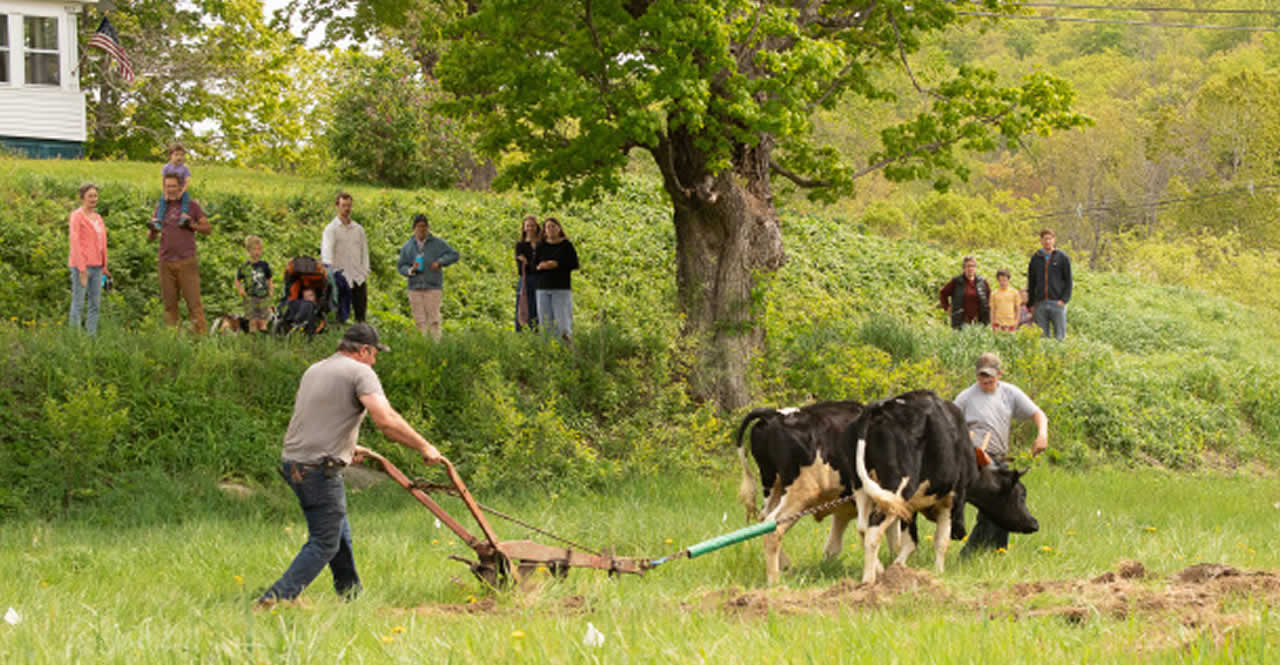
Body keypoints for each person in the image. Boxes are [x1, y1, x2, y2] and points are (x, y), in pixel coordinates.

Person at [257, 323, 445, 609]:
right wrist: (424, 446)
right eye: (375, 354)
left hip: (294, 462)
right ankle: (276, 599)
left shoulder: (316, 369)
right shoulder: (361, 372)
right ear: (364, 350)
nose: (375, 360)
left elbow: (316, 417)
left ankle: (351, 597)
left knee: (337, 533)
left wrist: (346, 447)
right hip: (319, 468)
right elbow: (386, 420)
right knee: (325, 541)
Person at [955, 352, 1048, 556]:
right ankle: (970, 554)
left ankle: (998, 551)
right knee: (991, 510)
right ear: (976, 375)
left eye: (990, 376)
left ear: (1000, 374)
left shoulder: (1010, 393)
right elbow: (949, 426)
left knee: (1008, 504)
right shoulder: (965, 397)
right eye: (981, 376)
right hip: (976, 461)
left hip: (999, 460)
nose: (986, 380)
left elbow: (1038, 414)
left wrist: (1042, 434)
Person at [148, 173, 212, 334]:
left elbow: (207, 229)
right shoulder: (161, 207)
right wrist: (152, 231)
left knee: (194, 304)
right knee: (170, 305)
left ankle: (200, 340)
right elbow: (151, 238)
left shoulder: (191, 206)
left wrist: (191, 225)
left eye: (173, 186)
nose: (170, 189)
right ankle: (173, 340)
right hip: (165, 261)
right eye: (167, 186)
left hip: (186, 261)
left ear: (180, 187)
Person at [396, 214, 460, 340]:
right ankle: (423, 347)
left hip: (433, 286)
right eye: (419, 227)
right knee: (420, 321)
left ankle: (436, 346)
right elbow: (401, 266)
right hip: (415, 287)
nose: (422, 230)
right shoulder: (407, 246)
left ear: (428, 228)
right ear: (414, 228)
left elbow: (454, 254)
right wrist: (410, 270)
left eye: (424, 227)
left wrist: (440, 262)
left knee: (434, 320)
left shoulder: (437, 243)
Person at [67, 183, 110, 335]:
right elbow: (75, 242)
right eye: (90, 196)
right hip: (81, 266)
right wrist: (81, 268)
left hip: (98, 266)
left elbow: (102, 243)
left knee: (95, 304)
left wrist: (105, 266)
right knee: (78, 303)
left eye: (95, 196)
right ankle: (75, 338)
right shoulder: (76, 216)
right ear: (82, 198)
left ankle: (91, 337)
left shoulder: (98, 218)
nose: (94, 199)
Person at [321, 192, 370, 323]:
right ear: (337, 206)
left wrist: (364, 272)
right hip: (341, 278)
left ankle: (362, 338)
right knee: (340, 315)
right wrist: (331, 275)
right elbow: (326, 254)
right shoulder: (331, 229)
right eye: (343, 205)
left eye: (349, 205)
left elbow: (364, 252)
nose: (346, 209)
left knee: (361, 315)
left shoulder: (358, 229)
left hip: (358, 277)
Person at [533, 217, 579, 343]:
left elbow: (574, 264)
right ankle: (548, 352)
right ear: (544, 230)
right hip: (542, 288)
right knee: (545, 322)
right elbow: (534, 265)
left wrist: (557, 264)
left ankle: (566, 349)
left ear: (559, 228)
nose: (551, 229)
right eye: (548, 227)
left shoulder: (566, 245)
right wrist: (541, 266)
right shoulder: (541, 245)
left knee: (563, 321)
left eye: (553, 226)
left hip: (561, 288)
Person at [1027, 229, 1072, 340]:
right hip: (1040, 303)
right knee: (1042, 337)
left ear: (1054, 240)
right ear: (1041, 241)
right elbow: (1031, 281)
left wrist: (1064, 300)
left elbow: (1068, 280)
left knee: (1060, 337)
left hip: (1057, 303)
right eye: (1045, 239)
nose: (1047, 241)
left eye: (1050, 239)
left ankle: (1060, 357)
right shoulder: (1035, 258)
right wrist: (1031, 303)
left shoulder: (1062, 257)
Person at [939, 255, 990, 330]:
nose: (970, 268)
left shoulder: (982, 281)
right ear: (964, 268)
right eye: (968, 266)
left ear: (975, 268)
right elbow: (943, 293)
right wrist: (947, 307)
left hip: (979, 321)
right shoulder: (956, 281)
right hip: (961, 321)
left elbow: (989, 297)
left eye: (972, 266)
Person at [235, 235, 274, 333]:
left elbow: (269, 279)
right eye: (254, 250)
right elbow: (237, 279)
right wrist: (240, 290)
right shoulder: (245, 266)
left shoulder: (264, 265)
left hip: (263, 295)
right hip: (250, 297)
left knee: (263, 319)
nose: (257, 252)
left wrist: (271, 290)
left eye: (259, 250)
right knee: (252, 320)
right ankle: (253, 339)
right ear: (248, 250)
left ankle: (264, 338)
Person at [150, 143, 192, 231]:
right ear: (170, 156)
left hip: (180, 190)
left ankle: (183, 217)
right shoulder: (166, 167)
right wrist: (165, 193)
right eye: (176, 155)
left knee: (186, 199)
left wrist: (181, 192)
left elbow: (187, 182)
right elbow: (163, 181)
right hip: (169, 189)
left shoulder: (184, 168)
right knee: (162, 202)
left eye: (181, 155)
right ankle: (158, 221)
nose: (179, 157)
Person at [514, 215, 541, 331]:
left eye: (533, 225)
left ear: (537, 227)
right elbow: (521, 268)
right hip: (525, 279)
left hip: (540, 279)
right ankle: (520, 333)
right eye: (528, 225)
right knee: (522, 305)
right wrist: (534, 264)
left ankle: (537, 333)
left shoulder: (542, 244)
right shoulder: (520, 245)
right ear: (524, 228)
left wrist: (528, 262)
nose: (530, 228)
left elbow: (540, 265)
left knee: (537, 307)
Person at [989, 268, 1023, 332]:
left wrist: (1016, 322)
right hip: (998, 324)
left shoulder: (1014, 292)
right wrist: (992, 324)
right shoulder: (994, 293)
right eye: (1000, 280)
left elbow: (1017, 309)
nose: (1002, 282)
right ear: (998, 280)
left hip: (1011, 324)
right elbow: (992, 310)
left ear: (1008, 280)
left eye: (1004, 280)